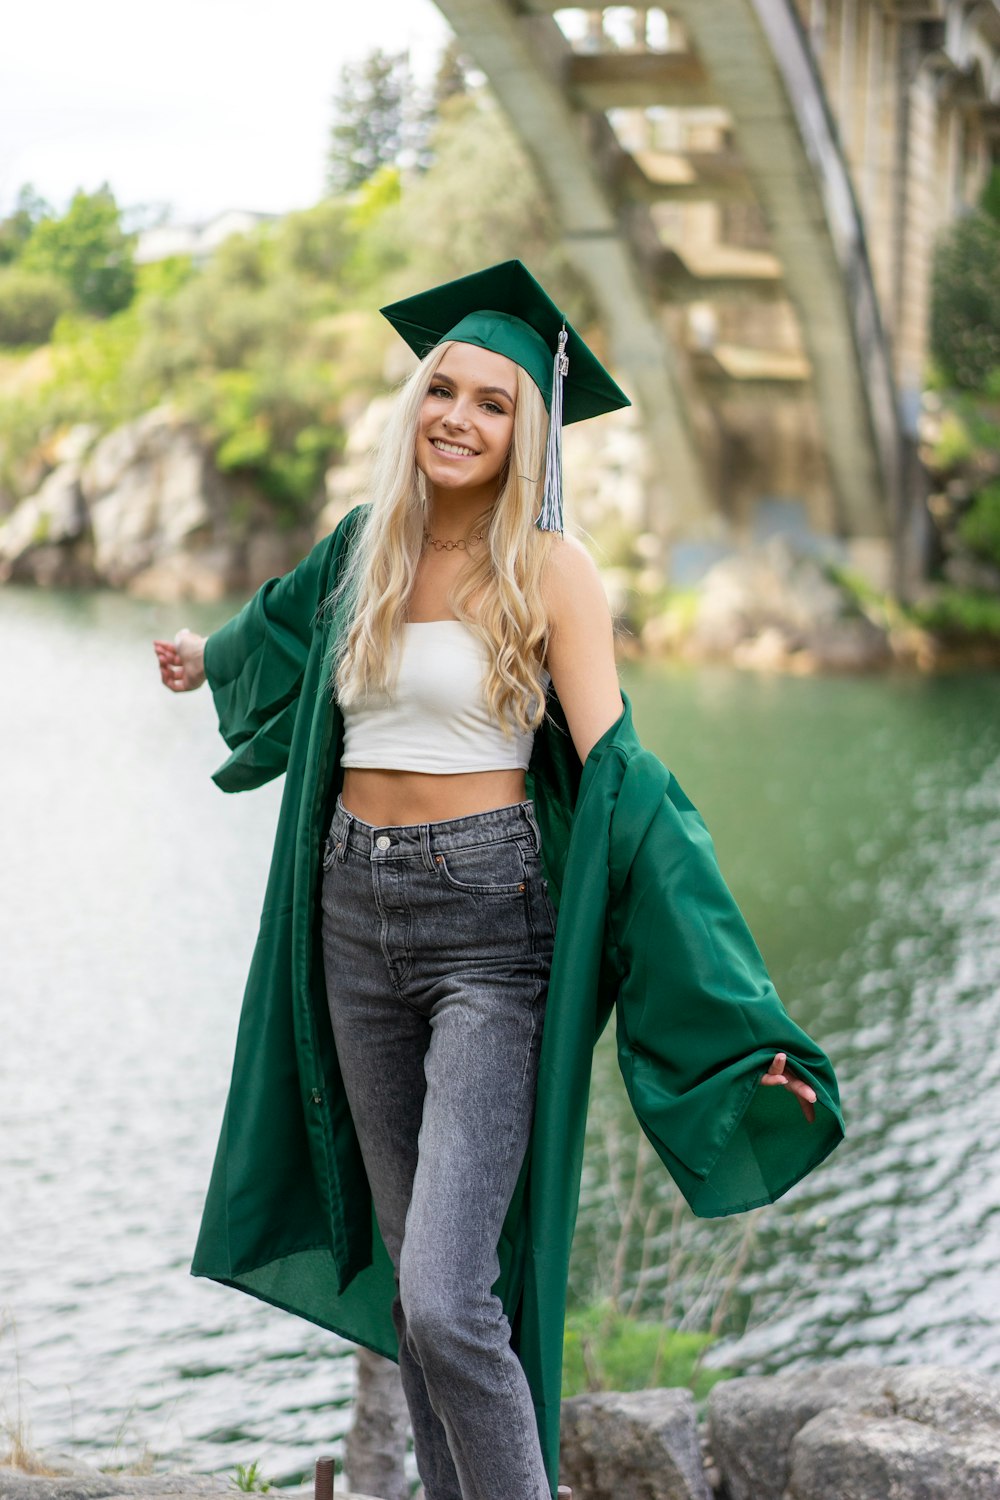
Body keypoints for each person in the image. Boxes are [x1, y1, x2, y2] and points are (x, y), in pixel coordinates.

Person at [154, 261, 844, 1500]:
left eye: (491, 403)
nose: (457, 419)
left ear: (529, 432)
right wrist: (201, 660)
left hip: (490, 930)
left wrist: (742, 1021)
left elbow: (625, 781)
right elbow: (273, 627)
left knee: (445, 1292)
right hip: (348, 918)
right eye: (442, 391)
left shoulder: (551, 571)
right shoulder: (370, 548)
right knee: (415, 1311)